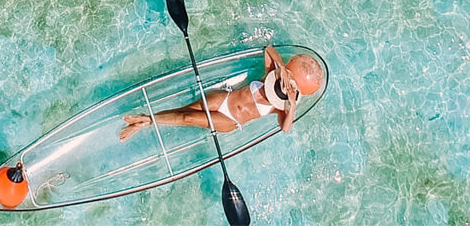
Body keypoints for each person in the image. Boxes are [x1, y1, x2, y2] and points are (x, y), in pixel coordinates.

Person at [118, 46, 323, 141]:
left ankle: (146, 122)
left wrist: (293, 106)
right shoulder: (271, 75)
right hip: (224, 97)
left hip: (230, 120)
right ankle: (148, 120)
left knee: (188, 118)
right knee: (183, 112)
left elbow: (285, 128)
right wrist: (280, 68)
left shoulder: (281, 106)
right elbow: (268, 49)